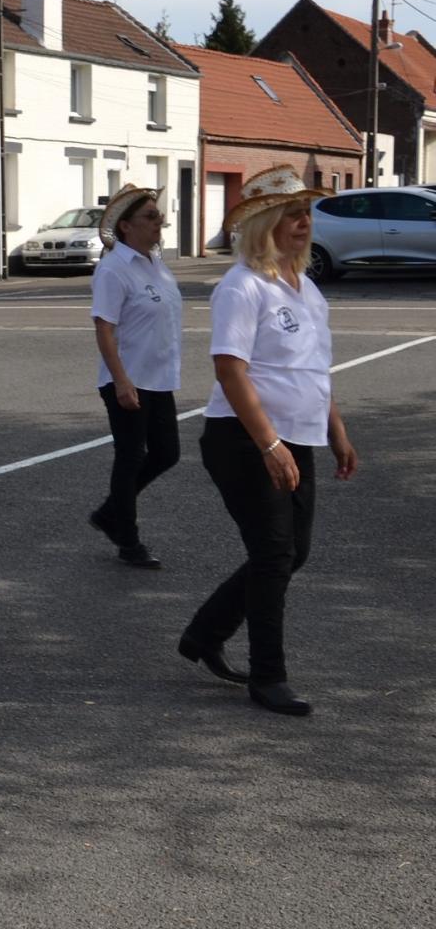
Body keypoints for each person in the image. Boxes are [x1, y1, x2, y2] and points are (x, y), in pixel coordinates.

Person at [180, 166, 356, 717]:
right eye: (293, 214)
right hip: (244, 440)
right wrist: (269, 445)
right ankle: (268, 676)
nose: (305, 223)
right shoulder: (242, 286)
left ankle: (204, 634)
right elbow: (231, 371)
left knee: (290, 552)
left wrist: (337, 430)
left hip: (295, 437)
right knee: (275, 552)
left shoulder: (304, 287)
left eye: (307, 214)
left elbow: (313, 368)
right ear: (265, 223)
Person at [88, 185, 183, 569]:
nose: (159, 221)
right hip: (127, 379)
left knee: (167, 453)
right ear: (126, 226)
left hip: (158, 376)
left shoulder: (155, 262)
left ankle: (111, 511)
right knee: (130, 457)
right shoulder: (114, 269)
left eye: (158, 215)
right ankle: (127, 540)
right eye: (150, 217)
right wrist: (121, 380)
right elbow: (104, 328)